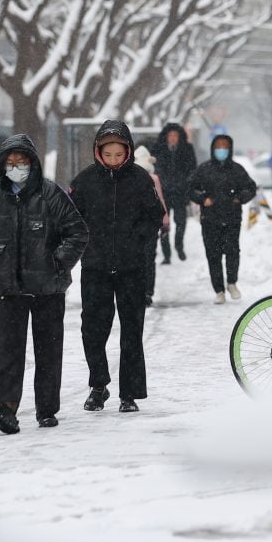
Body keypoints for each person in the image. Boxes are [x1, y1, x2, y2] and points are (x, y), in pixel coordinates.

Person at [0, 134, 88, 434]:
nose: (16, 168)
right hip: (10, 289)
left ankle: (47, 409)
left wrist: (57, 263)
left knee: (48, 351)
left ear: (33, 163)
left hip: (47, 289)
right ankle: (4, 410)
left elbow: (77, 232)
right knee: (9, 351)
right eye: (10, 162)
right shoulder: (0, 197)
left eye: (22, 162)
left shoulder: (51, 194)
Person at [69, 120, 165, 413]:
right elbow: (71, 220)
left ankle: (129, 393)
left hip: (131, 267)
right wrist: (86, 244)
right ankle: (98, 385)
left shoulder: (140, 179)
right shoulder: (84, 181)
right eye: (108, 154)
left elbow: (155, 216)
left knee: (132, 330)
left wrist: (137, 240)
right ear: (98, 152)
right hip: (95, 267)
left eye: (119, 154)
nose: (113, 160)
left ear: (128, 152)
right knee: (93, 329)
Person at [189, 134, 257, 304]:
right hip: (210, 218)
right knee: (213, 254)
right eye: (218, 147)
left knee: (232, 251)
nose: (221, 150)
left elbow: (250, 188)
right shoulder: (204, 169)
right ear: (213, 149)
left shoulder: (237, 170)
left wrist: (239, 198)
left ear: (230, 149)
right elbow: (190, 188)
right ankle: (219, 290)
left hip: (232, 218)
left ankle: (232, 283)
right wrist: (202, 199)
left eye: (224, 147)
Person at [152, 122, 197, 263]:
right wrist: (163, 183)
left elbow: (192, 169)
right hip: (163, 193)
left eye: (175, 135)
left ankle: (179, 245)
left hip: (180, 193)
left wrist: (184, 184)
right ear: (165, 136)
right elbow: (154, 169)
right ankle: (166, 254)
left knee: (181, 222)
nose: (172, 138)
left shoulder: (187, 149)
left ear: (180, 137)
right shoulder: (158, 149)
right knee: (164, 224)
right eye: (170, 135)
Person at [133, 145, 169, 307]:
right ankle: (144, 291)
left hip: (144, 225)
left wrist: (164, 221)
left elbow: (160, 200)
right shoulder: (147, 179)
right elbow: (161, 200)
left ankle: (145, 291)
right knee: (145, 260)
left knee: (144, 259)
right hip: (143, 225)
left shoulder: (152, 179)